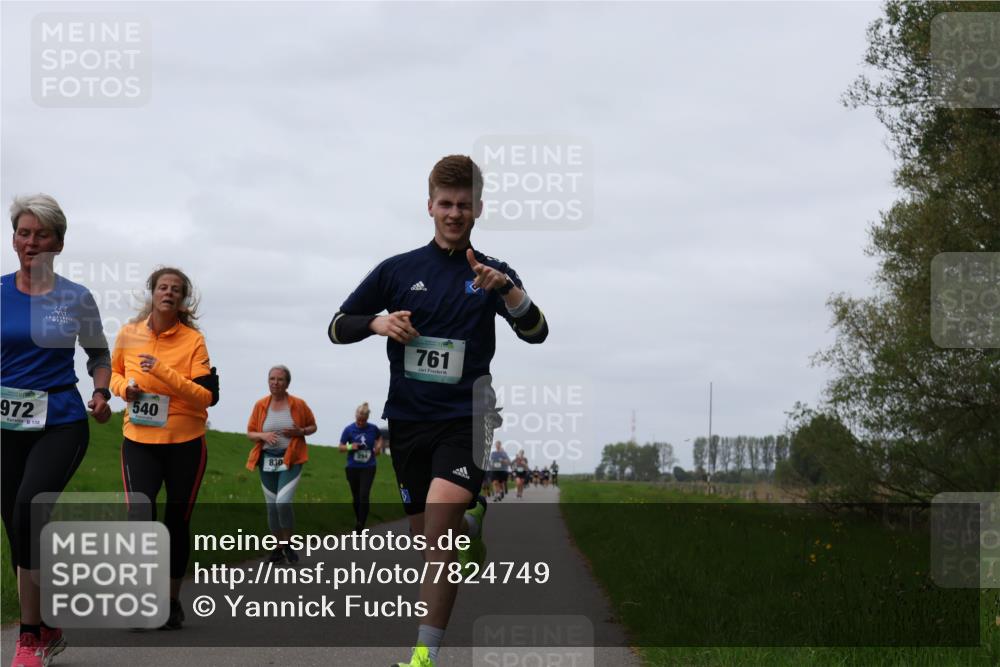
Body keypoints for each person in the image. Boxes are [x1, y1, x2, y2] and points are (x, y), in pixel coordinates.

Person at [327, 155, 548, 667]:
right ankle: (472, 522)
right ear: (429, 206)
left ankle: (424, 656)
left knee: (438, 528)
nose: (454, 213)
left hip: (468, 418)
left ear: (478, 209)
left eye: (464, 205)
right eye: (445, 204)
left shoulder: (492, 274)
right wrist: (378, 324)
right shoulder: (398, 270)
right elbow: (337, 326)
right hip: (408, 421)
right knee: (428, 539)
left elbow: (537, 332)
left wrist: (508, 290)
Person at [2, 194, 112, 667]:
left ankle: (29, 638)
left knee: (29, 509)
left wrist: (101, 391)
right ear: (14, 239)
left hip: (60, 422)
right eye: (23, 233)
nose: (31, 242)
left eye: (41, 234)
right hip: (5, 427)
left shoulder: (76, 297)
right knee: (18, 529)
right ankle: (45, 621)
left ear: (58, 244)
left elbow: (98, 354)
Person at [111, 267, 219, 631]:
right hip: (139, 440)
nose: (168, 293)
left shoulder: (193, 341)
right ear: (153, 293)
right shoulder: (128, 334)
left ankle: (171, 602)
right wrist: (124, 389)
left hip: (185, 442)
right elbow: (114, 373)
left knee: (176, 522)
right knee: (139, 518)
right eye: (163, 287)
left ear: (183, 299)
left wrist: (161, 372)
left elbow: (205, 397)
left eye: (176, 289)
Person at [246, 365, 317, 564]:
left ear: (287, 383)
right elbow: (250, 433)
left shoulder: (298, 404)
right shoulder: (261, 405)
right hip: (267, 460)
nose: (275, 383)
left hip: (291, 458)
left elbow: (313, 426)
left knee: (282, 502)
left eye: (280, 379)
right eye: (272, 379)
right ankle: (279, 547)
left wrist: (300, 431)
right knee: (271, 507)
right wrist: (263, 436)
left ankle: (287, 543)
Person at [339, 401, 383, 532]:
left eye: (363, 421)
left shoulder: (373, 428)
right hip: (352, 467)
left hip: (369, 466)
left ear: (367, 419)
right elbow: (340, 447)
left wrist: (378, 447)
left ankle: (361, 524)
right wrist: (350, 446)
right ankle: (359, 519)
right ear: (356, 417)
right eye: (358, 420)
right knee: (356, 497)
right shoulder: (349, 429)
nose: (360, 423)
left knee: (364, 495)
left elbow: (380, 438)